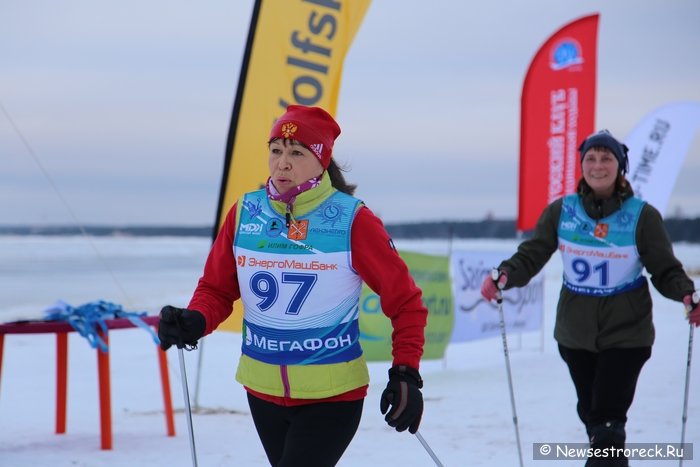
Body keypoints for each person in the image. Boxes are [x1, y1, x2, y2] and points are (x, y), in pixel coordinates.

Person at [158, 105, 428, 467]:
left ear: (321, 160)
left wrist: (405, 371)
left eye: (297, 152)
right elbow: (217, 289)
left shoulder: (351, 220)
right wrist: (195, 319)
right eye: (276, 151)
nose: (282, 163)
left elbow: (406, 302)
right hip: (262, 392)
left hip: (332, 398)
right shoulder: (245, 213)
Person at [480, 130, 699, 466]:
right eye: (591, 158)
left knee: (608, 424)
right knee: (598, 424)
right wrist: (505, 275)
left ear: (620, 166)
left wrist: (687, 293)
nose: (598, 166)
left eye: (606, 158)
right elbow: (533, 254)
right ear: (581, 165)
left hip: (627, 334)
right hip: (575, 335)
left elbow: (665, 269)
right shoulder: (562, 212)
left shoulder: (642, 216)